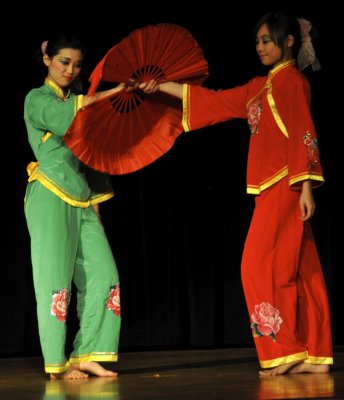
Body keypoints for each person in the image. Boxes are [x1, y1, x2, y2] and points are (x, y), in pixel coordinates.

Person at [139, 12, 333, 375]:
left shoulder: (292, 82)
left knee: (257, 267)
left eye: (268, 40)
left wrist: (306, 187)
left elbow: (304, 132)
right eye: (257, 41)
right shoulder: (259, 87)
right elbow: (211, 101)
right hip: (275, 186)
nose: (260, 47)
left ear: (289, 41)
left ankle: (285, 349)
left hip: (285, 184)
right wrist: (161, 84)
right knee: (302, 270)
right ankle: (314, 354)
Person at [24, 34, 123, 380]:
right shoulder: (37, 99)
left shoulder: (82, 101)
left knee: (105, 275)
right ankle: (56, 365)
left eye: (77, 64)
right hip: (49, 194)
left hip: (82, 200)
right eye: (64, 61)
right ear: (47, 58)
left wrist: (95, 206)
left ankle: (87, 353)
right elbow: (66, 119)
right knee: (55, 282)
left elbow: (92, 159)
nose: (70, 69)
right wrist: (104, 98)